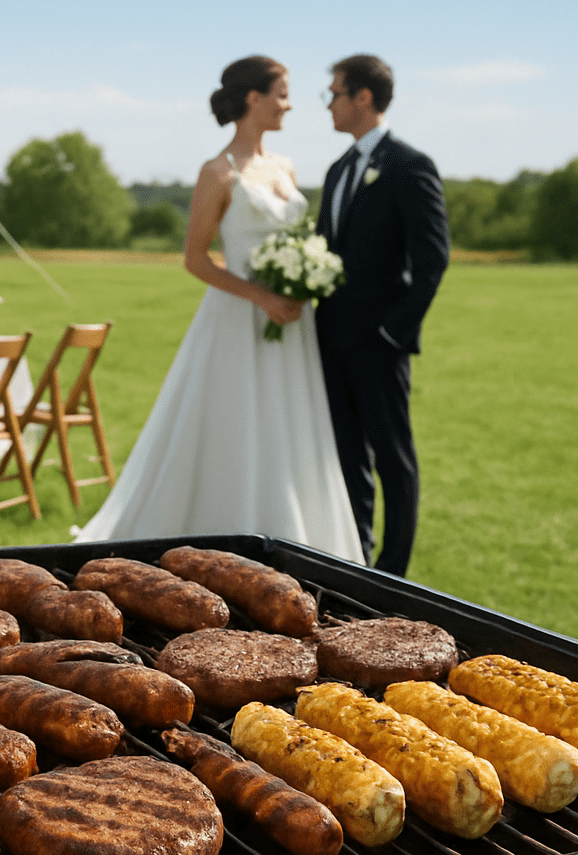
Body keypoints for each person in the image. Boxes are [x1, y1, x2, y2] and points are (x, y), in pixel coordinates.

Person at [74, 56, 363, 562]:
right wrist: (260, 296)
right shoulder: (217, 173)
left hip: (292, 326)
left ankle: (298, 542)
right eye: (281, 94)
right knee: (237, 423)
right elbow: (195, 259)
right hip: (238, 319)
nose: (289, 105)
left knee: (292, 428)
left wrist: (302, 279)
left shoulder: (286, 166)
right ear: (253, 98)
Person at [314, 54, 450, 577]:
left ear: (363, 96)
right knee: (348, 456)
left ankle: (393, 573)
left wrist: (394, 332)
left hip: (380, 343)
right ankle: (358, 562)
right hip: (330, 340)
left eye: (334, 93)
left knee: (393, 457)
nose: (328, 104)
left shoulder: (409, 165)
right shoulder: (337, 170)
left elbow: (432, 258)